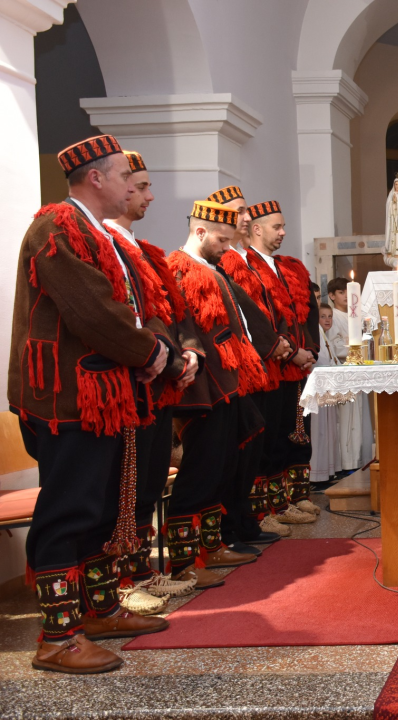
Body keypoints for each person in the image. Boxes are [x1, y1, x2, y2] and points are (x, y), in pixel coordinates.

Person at [12, 135, 173, 673]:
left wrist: (153, 348)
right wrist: (152, 353)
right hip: (67, 395)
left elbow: (129, 305)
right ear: (96, 179)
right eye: (126, 177)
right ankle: (57, 637)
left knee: (103, 505)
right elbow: (92, 312)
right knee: (70, 506)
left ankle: (99, 607)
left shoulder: (95, 231)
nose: (134, 187)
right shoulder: (57, 225)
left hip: (101, 392)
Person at [104, 151, 201, 614]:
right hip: (126, 385)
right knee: (126, 486)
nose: (148, 195)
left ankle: (143, 570)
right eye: (138, 185)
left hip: (154, 384)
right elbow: (118, 317)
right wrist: (157, 356)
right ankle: (123, 581)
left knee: (146, 484)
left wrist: (181, 355)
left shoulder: (139, 250)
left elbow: (165, 312)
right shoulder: (102, 242)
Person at [165, 201, 277, 589]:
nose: (226, 248)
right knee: (200, 472)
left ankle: (210, 545)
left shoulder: (211, 268)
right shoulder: (179, 267)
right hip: (203, 389)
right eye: (220, 240)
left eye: (230, 241)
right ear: (199, 232)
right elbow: (186, 329)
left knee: (221, 467)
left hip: (227, 383)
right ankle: (183, 562)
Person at [215, 186, 297, 541]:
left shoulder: (246, 257)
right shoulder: (225, 261)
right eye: (240, 211)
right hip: (243, 367)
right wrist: (274, 346)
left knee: (265, 443)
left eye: (247, 212)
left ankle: (247, 520)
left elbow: (268, 310)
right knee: (245, 450)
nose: (246, 218)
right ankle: (238, 523)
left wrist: (283, 344)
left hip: (266, 361)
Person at [247, 200, 322, 518]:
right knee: (274, 437)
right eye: (277, 227)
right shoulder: (245, 266)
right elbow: (261, 320)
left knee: (300, 433)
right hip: (273, 368)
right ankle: (272, 506)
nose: (283, 232)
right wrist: (292, 354)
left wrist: (311, 353)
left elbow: (310, 314)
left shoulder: (291, 266)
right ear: (256, 228)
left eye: (283, 226)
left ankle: (297, 495)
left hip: (300, 368)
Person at [326, 276, 368, 474]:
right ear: (332, 296)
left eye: (349, 292)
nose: (346, 296)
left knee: (358, 419)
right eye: (341, 293)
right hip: (342, 371)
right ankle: (347, 463)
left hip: (358, 370)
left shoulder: (357, 315)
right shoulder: (331, 317)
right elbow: (334, 346)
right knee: (346, 420)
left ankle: (359, 458)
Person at [310, 303, 342, 484]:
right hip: (317, 384)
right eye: (323, 316)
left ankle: (327, 471)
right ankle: (317, 474)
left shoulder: (324, 335)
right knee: (319, 431)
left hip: (326, 383)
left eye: (330, 316)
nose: (327, 319)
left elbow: (330, 358)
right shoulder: (316, 332)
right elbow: (320, 359)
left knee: (329, 430)